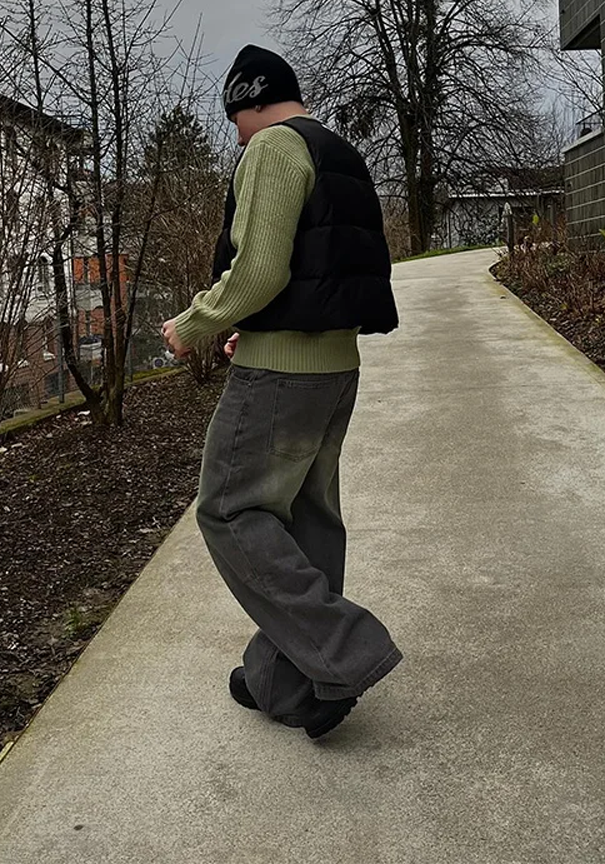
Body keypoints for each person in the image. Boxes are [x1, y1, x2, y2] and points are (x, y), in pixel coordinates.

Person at [161, 43, 403, 740]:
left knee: (229, 510)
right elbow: (321, 271)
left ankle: (346, 652)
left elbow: (261, 267)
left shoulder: (271, 147)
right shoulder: (340, 154)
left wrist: (198, 323)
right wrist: (261, 327)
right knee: (307, 517)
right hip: (334, 367)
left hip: (281, 376)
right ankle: (287, 681)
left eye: (235, 118)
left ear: (249, 100)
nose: (236, 135)